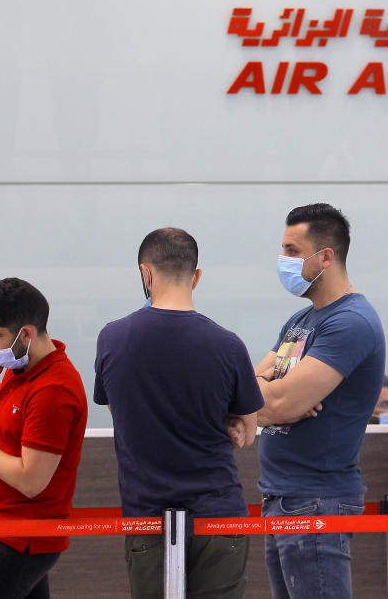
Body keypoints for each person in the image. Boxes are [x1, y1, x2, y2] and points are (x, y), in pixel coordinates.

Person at [94, 228, 264, 599]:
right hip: (218, 515)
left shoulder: (112, 337)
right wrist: (227, 421)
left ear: (146, 274)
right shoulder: (228, 344)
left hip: (148, 515)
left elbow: (115, 405)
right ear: (197, 276)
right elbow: (248, 432)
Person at [254, 203, 386, 599]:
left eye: (292, 251)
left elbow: (276, 405)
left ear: (325, 256)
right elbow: (249, 388)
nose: (283, 260)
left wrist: (280, 391)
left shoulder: (351, 322)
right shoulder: (300, 321)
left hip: (316, 501)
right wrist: (278, 392)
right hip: (282, 496)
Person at [0, 278, 87, 598]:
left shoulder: (52, 390)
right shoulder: (20, 368)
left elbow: (30, 481)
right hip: (1, 530)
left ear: (26, 334)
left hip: (15, 540)